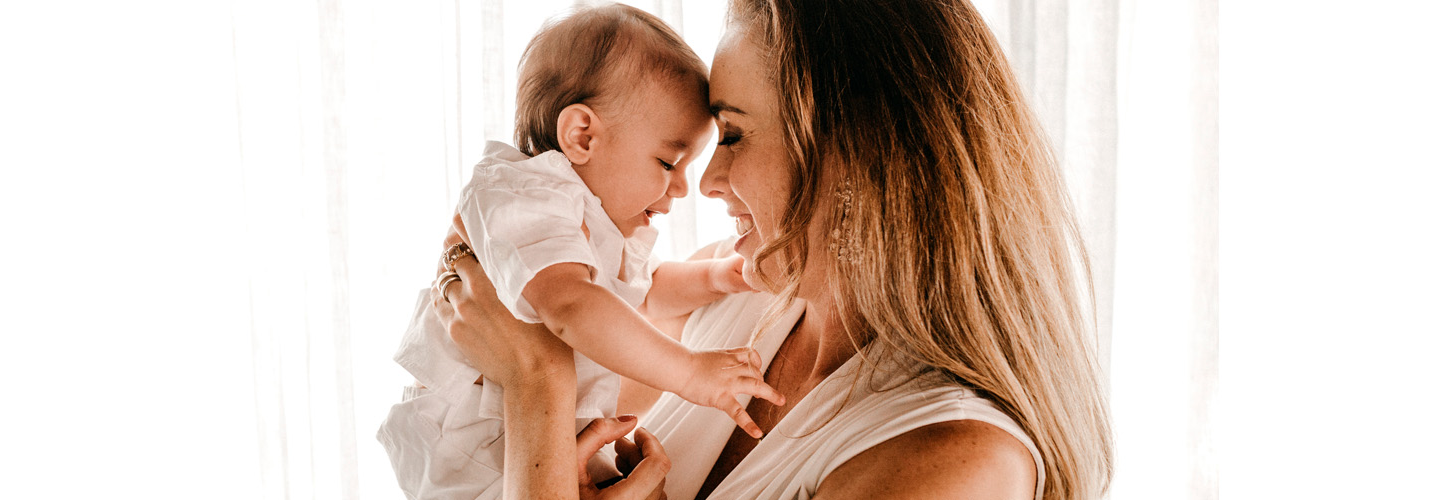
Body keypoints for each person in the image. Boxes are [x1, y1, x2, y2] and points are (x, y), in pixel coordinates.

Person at [436, 0, 1115, 498]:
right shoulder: (724, 300)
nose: (706, 181)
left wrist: (537, 378)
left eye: (732, 136)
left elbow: (542, 381)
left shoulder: (955, 462)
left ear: (856, 154)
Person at [378, 4, 782, 499]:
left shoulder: (587, 219)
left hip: (527, 442)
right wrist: (689, 371)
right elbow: (573, 305)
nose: (682, 188)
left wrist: (718, 276)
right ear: (582, 136)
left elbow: (644, 292)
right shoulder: (523, 194)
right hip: (472, 452)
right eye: (668, 162)